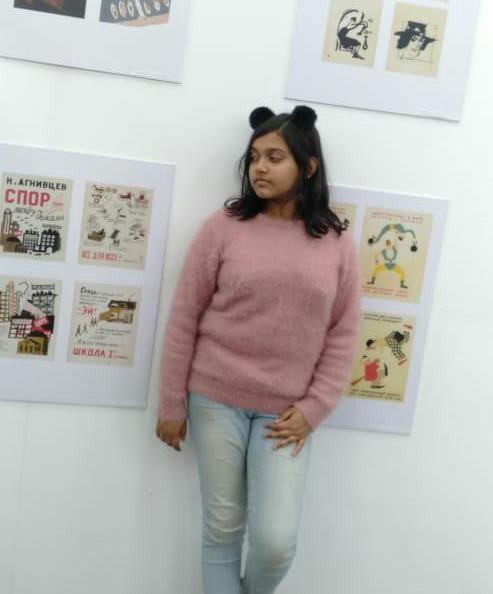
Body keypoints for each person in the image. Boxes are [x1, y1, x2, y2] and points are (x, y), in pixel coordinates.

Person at [155, 105, 361, 594]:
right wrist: (171, 404)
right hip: (215, 400)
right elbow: (184, 316)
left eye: (274, 157)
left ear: (308, 167)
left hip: (287, 414)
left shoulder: (335, 242)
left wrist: (315, 408)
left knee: (274, 543)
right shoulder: (223, 227)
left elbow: (344, 332)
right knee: (223, 531)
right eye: (254, 158)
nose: (260, 168)